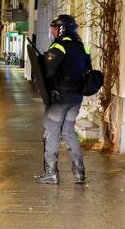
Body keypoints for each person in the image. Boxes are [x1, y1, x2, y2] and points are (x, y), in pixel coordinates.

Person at [34, 14, 89, 185]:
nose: (53, 31)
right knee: (69, 132)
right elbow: (88, 68)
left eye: (55, 28)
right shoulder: (82, 46)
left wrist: (43, 62)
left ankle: (51, 172)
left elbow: (49, 72)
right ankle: (79, 173)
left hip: (60, 97)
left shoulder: (59, 46)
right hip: (76, 96)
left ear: (63, 29)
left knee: (51, 132)